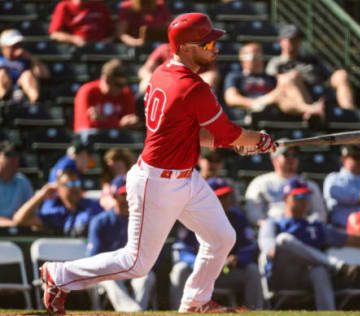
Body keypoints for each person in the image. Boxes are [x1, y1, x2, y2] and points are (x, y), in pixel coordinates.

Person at [39, 12, 276, 315]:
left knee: (222, 237)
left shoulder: (164, 72)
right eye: (207, 43)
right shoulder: (193, 87)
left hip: (184, 177)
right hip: (158, 181)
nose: (214, 49)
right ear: (187, 48)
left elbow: (198, 134)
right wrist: (258, 140)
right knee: (136, 264)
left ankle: (195, 302)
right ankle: (59, 276)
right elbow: (229, 132)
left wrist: (240, 142)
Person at [258, 176, 360, 310]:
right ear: (286, 199)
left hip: (305, 278)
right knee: (284, 239)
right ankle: (336, 265)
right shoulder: (274, 224)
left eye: (306, 195)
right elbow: (271, 251)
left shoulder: (315, 226)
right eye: (298, 196)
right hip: (281, 276)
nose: (304, 199)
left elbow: (352, 239)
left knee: (320, 271)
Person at [169, 177, 264, 310]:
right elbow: (182, 251)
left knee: (252, 270)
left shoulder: (237, 217)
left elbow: (249, 249)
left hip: (227, 271)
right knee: (180, 270)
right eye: (219, 196)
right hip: (199, 274)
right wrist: (202, 264)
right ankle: (179, 310)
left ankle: (257, 311)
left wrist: (238, 259)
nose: (225, 200)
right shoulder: (193, 215)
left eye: (226, 195)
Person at [87, 175, 156, 311]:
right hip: (111, 271)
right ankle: (134, 312)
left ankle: (135, 312)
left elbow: (152, 255)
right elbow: (93, 257)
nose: (127, 199)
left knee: (146, 277)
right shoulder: (100, 221)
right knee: (109, 279)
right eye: (123, 194)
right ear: (114, 196)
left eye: (130, 194)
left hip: (137, 268)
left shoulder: (144, 220)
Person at [223, 42, 324, 121]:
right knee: (279, 94)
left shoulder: (270, 77)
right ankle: (311, 109)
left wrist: (292, 77)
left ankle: (307, 110)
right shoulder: (235, 76)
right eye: (252, 56)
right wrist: (254, 103)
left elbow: (286, 83)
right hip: (254, 109)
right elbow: (231, 98)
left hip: (274, 107)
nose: (257, 59)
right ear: (242, 58)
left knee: (289, 79)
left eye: (259, 55)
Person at [266, 24, 356, 110]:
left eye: (297, 39)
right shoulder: (276, 63)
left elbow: (329, 76)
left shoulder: (311, 58)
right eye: (291, 39)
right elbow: (274, 85)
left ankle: (348, 113)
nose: (294, 43)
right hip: (298, 94)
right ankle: (310, 111)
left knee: (341, 74)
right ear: (280, 41)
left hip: (321, 88)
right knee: (292, 77)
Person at [245, 144, 327, 227]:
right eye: (286, 155)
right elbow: (254, 213)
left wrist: (304, 225)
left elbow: (320, 214)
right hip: (273, 229)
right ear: (274, 159)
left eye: (295, 155)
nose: (291, 158)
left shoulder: (309, 185)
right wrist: (270, 226)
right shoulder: (260, 182)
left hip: (302, 230)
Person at [13, 169, 103, 237]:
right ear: (58, 190)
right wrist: (41, 195)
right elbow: (19, 220)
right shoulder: (58, 214)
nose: (74, 187)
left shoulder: (94, 206)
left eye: (77, 183)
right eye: (69, 184)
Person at [73, 58, 139, 135]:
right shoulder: (87, 91)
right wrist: (119, 123)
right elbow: (86, 127)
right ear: (106, 80)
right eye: (118, 84)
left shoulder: (126, 92)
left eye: (123, 85)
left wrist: (103, 120)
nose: (121, 88)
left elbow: (130, 123)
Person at [323, 144, 360, 228]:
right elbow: (336, 192)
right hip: (341, 229)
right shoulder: (333, 178)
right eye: (356, 157)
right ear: (343, 159)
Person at [137, 43, 220, 93]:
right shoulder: (164, 48)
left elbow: (213, 73)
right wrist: (159, 82)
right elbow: (144, 70)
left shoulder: (205, 51)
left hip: (193, 88)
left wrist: (187, 83)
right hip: (166, 90)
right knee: (146, 83)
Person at [0, 29, 50, 104]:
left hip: (23, 89)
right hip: (6, 89)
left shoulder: (26, 58)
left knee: (28, 75)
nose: (17, 48)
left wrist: (32, 59)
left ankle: (35, 104)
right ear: (4, 47)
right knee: (2, 74)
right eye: (13, 46)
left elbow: (44, 75)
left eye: (19, 45)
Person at [49, 0, 113, 47]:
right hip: (75, 48)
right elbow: (55, 33)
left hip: (100, 47)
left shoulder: (100, 5)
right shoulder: (64, 6)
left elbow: (111, 32)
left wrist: (107, 40)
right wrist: (73, 39)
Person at [0, 141, 33, 226]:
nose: (13, 159)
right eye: (8, 155)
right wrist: (10, 223)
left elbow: (31, 213)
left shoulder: (23, 182)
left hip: (18, 228)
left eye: (16, 155)